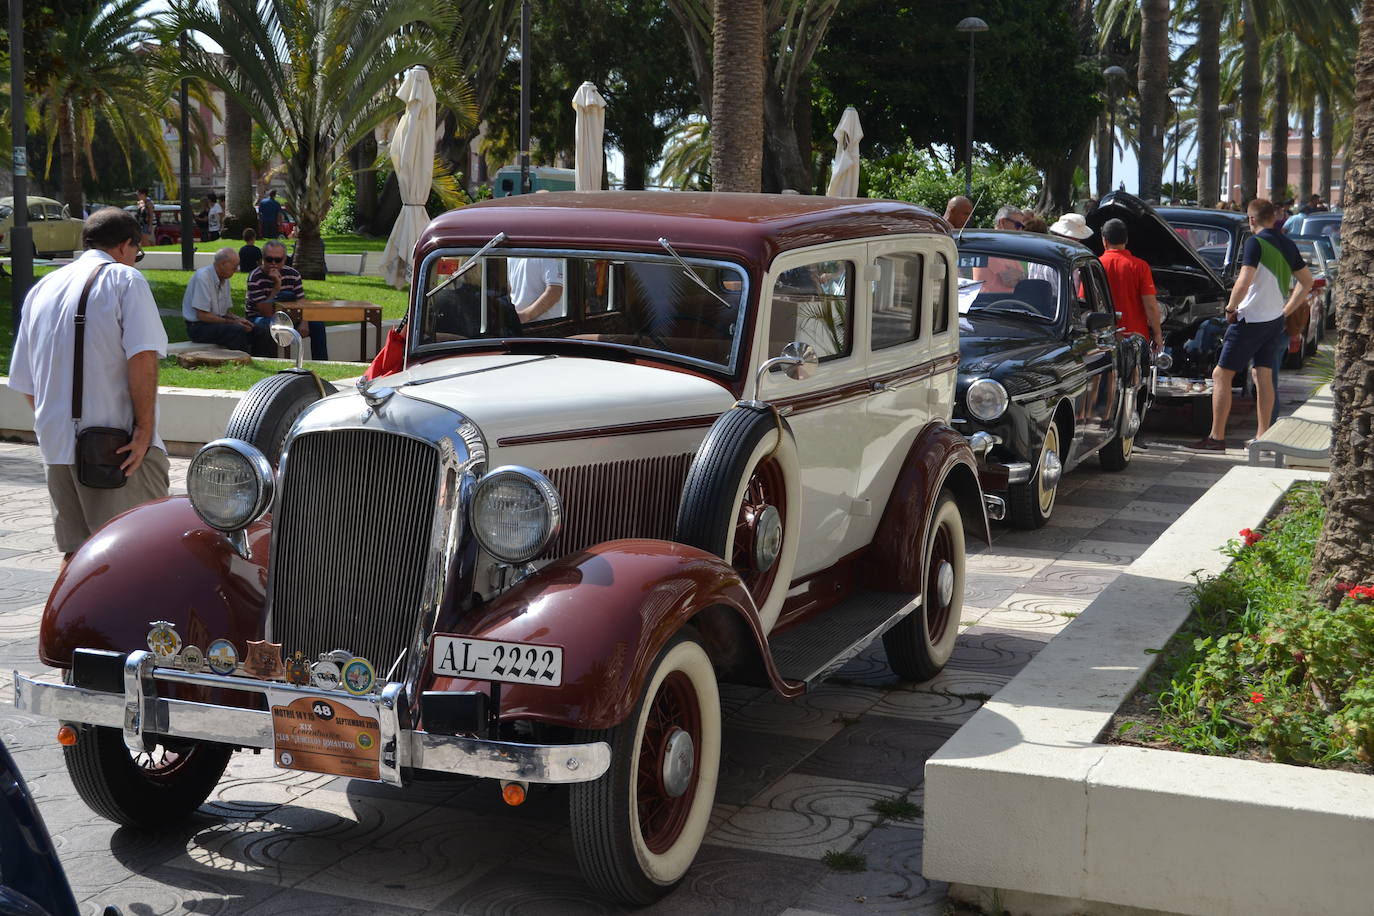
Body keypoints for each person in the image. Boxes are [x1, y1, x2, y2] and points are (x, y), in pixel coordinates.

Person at [7, 207, 170, 565]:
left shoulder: (43, 288)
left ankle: (74, 622)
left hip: (56, 446)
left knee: (77, 557)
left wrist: (60, 424)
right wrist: (144, 430)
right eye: (137, 253)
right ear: (127, 245)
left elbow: (24, 380)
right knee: (137, 554)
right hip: (117, 448)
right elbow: (143, 358)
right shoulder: (125, 280)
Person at [1191, 198, 1313, 450]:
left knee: (1221, 374)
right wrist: (1286, 311)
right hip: (1273, 320)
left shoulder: (1255, 242)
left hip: (1251, 319)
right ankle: (1263, 437)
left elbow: (1245, 279)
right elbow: (1307, 281)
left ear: (1252, 219)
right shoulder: (1287, 244)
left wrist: (1230, 307)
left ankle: (1216, 437)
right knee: (1262, 375)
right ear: (1273, 217)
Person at [247, 240, 328, 359]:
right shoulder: (255, 277)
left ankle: (322, 363)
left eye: (278, 260)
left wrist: (304, 322)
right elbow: (265, 312)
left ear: (284, 259)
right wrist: (276, 286)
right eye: (269, 259)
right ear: (263, 258)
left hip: (287, 316)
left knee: (317, 324)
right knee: (265, 326)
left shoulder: (293, 274)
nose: (273, 263)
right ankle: (264, 360)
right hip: (260, 317)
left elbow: (301, 302)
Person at [1098, 218, 1164, 355]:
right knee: (1134, 375)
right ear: (1126, 240)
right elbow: (1151, 305)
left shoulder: (1095, 265)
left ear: (1104, 240)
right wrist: (1157, 333)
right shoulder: (1140, 267)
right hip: (1135, 338)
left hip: (1102, 339)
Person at [182, 247, 258, 353]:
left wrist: (239, 319)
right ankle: (244, 359)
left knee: (254, 328)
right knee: (236, 330)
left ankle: (260, 357)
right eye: (234, 266)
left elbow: (225, 312)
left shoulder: (225, 279)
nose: (237, 269)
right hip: (198, 327)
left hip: (214, 323)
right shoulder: (203, 277)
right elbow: (202, 315)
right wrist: (233, 322)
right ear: (222, 264)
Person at [972, 206, 1027, 293]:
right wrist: (1024, 277)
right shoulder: (991, 246)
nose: (1021, 230)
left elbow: (1020, 278)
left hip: (1005, 303)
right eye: (1018, 225)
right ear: (1003, 222)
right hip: (991, 304)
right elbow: (1009, 280)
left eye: (1022, 227)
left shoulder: (1005, 247)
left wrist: (1021, 276)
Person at [508, 257, 565, 323]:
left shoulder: (546, 253)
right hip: (518, 325)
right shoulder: (511, 255)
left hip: (545, 327)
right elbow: (509, 288)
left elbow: (555, 292)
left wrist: (524, 316)